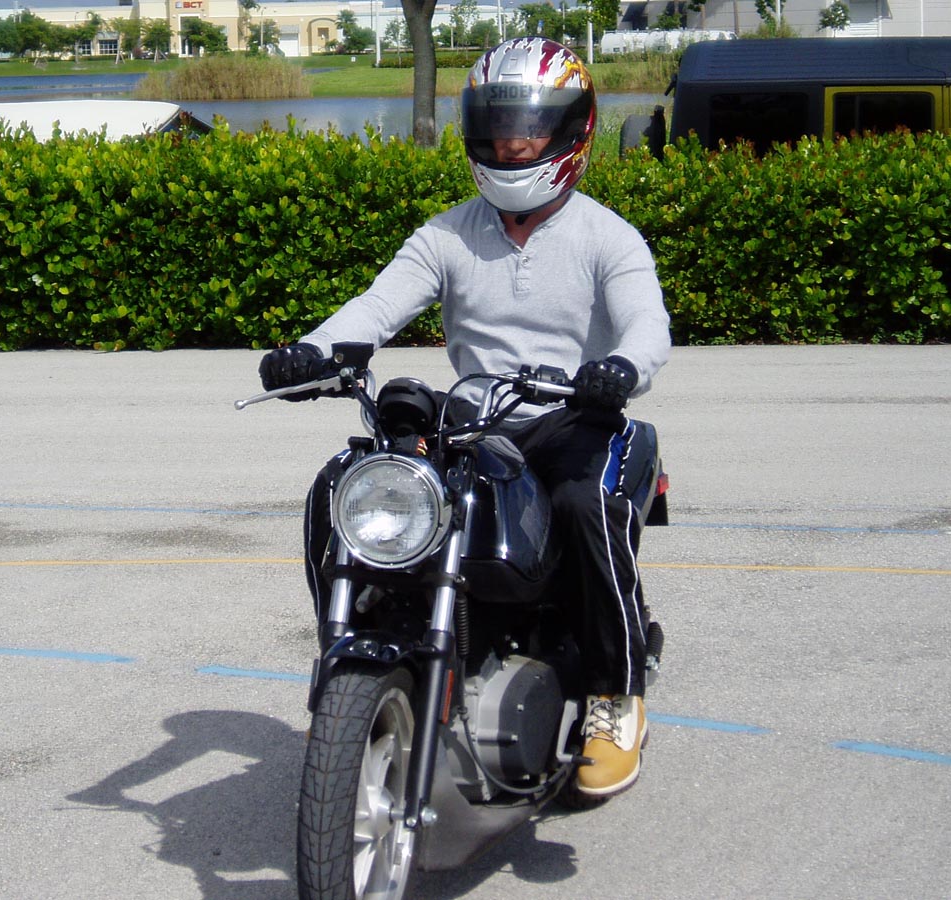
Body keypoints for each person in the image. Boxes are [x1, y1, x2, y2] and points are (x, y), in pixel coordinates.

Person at [258, 37, 671, 798]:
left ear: (572, 131)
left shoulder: (607, 236)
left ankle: (615, 698)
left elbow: (647, 325)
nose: (512, 144)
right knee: (343, 485)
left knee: (587, 506)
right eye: (499, 126)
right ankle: (349, 663)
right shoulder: (447, 234)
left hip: (575, 414)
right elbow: (376, 307)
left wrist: (619, 370)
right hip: (479, 418)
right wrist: (311, 352)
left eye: (531, 128)